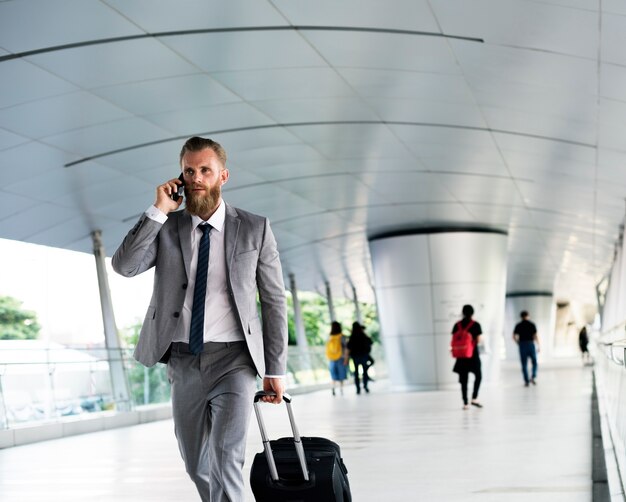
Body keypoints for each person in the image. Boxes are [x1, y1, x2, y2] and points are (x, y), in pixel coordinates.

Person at [112, 136, 288, 502]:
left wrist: (276, 369)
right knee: (197, 465)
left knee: (227, 461)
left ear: (223, 176)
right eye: (189, 171)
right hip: (183, 359)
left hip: (235, 360)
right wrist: (158, 210)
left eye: (204, 170)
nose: (196, 178)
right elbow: (125, 266)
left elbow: (273, 301)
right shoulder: (167, 227)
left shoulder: (255, 228)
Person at [452, 304, 483, 409]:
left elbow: (454, 340)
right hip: (472, 355)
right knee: (478, 376)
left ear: (463, 313)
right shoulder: (476, 325)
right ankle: (474, 398)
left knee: (463, 380)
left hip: (461, 357)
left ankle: (465, 403)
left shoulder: (457, 325)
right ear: (472, 313)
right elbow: (478, 340)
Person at [513, 310, 540, 387]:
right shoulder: (532, 324)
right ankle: (533, 377)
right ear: (528, 316)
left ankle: (526, 381)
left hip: (522, 345)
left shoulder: (518, 325)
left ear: (521, 317)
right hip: (531, 344)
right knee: (534, 362)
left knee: (524, 364)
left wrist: (518, 343)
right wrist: (538, 345)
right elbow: (535, 336)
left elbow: (514, 336)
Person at [346, 322, 373, 394]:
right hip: (364, 356)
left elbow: (348, 347)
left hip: (355, 357)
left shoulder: (352, 337)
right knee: (365, 372)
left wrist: (347, 357)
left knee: (356, 373)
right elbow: (370, 342)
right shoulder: (363, 335)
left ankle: (358, 389)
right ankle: (365, 386)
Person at [326, 321, 349, 396]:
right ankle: (341, 389)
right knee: (341, 374)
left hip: (331, 358)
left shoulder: (329, 337)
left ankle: (333, 387)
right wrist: (346, 359)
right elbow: (346, 348)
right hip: (341, 358)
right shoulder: (342, 336)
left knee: (333, 375)